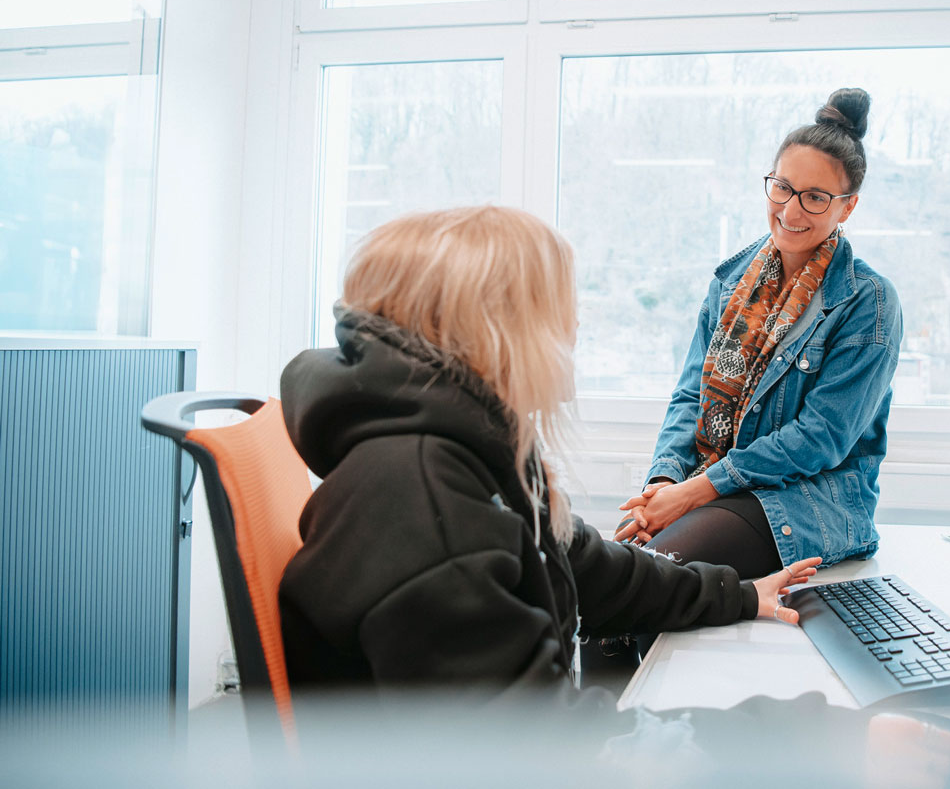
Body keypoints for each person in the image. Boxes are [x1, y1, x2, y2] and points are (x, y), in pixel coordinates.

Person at [278, 206, 820, 698]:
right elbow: (541, 756)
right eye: (559, 306)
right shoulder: (424, 507)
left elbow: (587, 568)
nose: (576, 325)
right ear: (493, 328)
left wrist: (740, 596)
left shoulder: (469, 445)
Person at [616, 88, 902, 579]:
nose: (791, 211)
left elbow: (821, 438)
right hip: (711, 485)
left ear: (847, 207)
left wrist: (694, 492)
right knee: (617, 578)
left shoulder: (868, 302)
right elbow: (690, 395)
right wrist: (664, 482)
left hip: (805, 502)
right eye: (783, 188)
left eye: (815, 197)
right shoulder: (730, 282)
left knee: (652, 575)